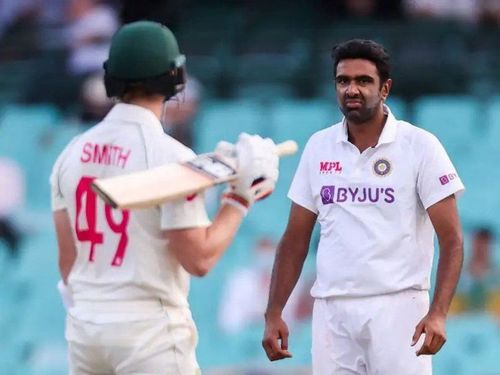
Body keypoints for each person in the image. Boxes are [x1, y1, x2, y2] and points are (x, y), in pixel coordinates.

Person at [51, 20, 279, 374]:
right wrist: (240, 198)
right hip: (148, 334)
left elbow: (68, 263)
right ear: (176, 78)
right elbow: (199, 259)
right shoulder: (172, 157)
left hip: (86, 331)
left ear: (110, 79)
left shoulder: (71, 153)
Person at [262, 39, 465, 374]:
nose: (351, 89)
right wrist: (274, 312)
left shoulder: (420, 146)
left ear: (385, 88)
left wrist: (439, 313)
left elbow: (452, 239)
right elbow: (296, 237)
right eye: (343, 81)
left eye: (363, 81)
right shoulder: (319, 146)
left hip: (399, 307)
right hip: (332, 310)